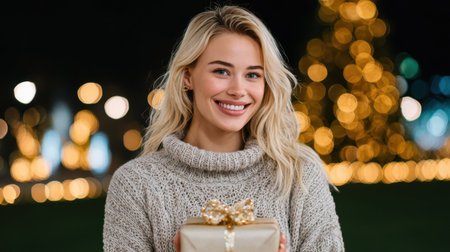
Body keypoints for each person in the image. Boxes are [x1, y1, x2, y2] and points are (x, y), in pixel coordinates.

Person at [103, 5, 344, 252]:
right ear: (188, 76)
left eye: (252, 75)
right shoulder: (136, 184)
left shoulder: (298, 175)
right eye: (221, 71)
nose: (238, 90)